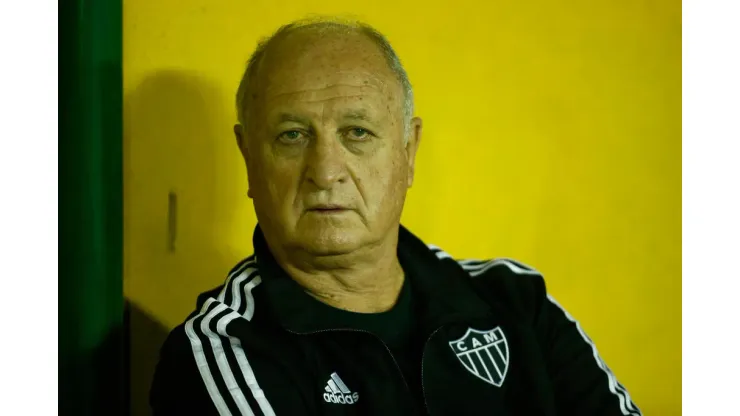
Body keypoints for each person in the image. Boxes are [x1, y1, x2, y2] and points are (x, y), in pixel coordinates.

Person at [150, 17, 641, 416]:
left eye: (357, 132)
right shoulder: (221, 353)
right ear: (249, 159)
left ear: (409, 151)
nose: (324, 172)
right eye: (292, 136)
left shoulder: (515, 300)